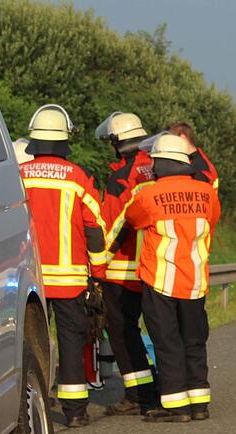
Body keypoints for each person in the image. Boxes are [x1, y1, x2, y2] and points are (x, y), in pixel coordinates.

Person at [108, 134, 220, 423]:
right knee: (194, 340)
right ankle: (199, 403)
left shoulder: (148, 195)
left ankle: (174, 405)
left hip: (160, 281)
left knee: (167, 341)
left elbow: (129, 220)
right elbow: (212, 221)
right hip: (195, 280)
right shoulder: (207, 193)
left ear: (160, 163)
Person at [20, 104, 107, 427]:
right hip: (69, 281)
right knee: (72, 342)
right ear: (64, 140)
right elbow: (95, 227)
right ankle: (75, 412)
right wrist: (98, 273)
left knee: (31, 345)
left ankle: (33, 412)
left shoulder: (20, 176)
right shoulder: (77, 178)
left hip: (30, 280)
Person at [95, 111, 159, 416]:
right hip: (158, 265)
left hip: (123, 269)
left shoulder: (120, 178)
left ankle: (137, 393)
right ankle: (167, 387)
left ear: (116, 142)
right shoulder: (157, 167)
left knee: (122, 331)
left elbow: (112, 224)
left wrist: (97, 263)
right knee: (162, 329)